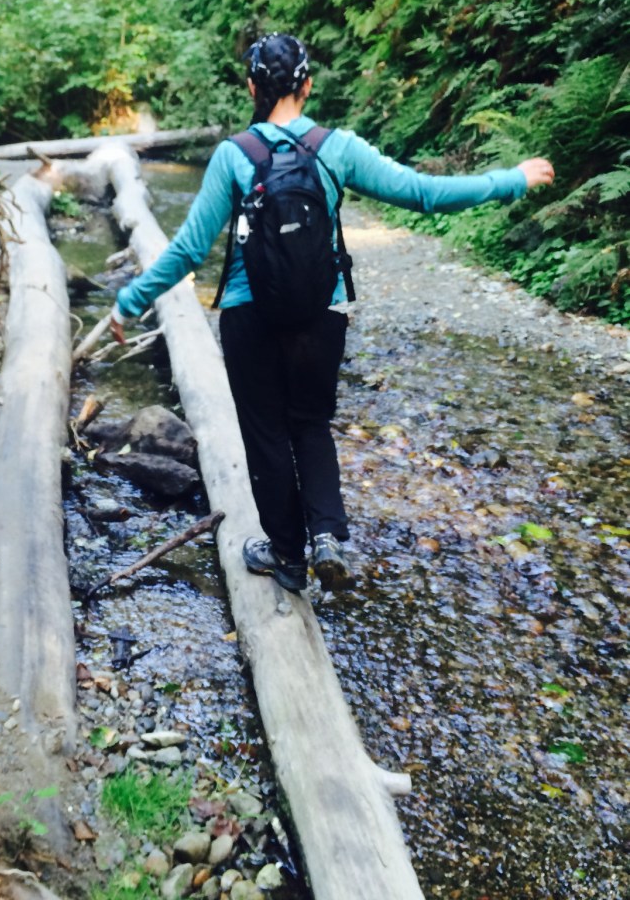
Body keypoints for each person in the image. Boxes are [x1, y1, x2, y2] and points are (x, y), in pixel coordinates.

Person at [110, 33, 555, 593]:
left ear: (252, 87)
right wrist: (510, 180)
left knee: (267, 437)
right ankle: (325, 533)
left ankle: (288, 559)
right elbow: (423, 193)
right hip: (322, 315)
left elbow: (189, 251)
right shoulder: (335, 148)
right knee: (311, 425)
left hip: (250, 319)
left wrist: (130, 299)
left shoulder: (234, 155)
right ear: (308, 85)